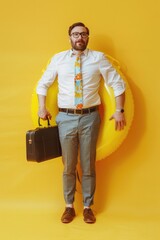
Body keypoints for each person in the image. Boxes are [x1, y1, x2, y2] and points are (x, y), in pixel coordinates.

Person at [36, 22, 126, 224]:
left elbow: (117, 83)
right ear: (69, 37)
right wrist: (42, 107)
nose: (79, 37)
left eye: (83, 34)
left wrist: (119, 110)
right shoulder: (59, 59)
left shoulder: (98, 59)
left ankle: (87, 207)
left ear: (88, 37)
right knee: (68, 165)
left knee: (88, 164)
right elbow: (43, 84)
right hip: (65, 118)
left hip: (90, 118)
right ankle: (69, 206)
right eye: (75, 34)